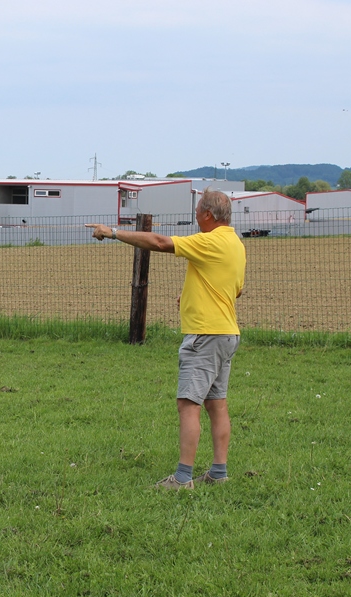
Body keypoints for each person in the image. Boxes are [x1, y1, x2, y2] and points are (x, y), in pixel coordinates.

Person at [86, 189, 246, 490]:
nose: (195, 216)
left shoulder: (209, 240)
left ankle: (182, 478)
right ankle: (219, 473)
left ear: (208, 215)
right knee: (217, 404)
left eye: (197, 211)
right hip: (226, 333)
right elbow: (233, 289)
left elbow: (160, 242)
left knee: (188, 404)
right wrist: (191, 297)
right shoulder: (235, 244)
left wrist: (113, 232)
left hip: (205, 335)